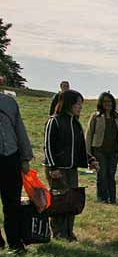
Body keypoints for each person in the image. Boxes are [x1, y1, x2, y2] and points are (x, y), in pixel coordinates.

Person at [43, 90, 94, 241]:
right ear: (69, 104)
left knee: (71, 201)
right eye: (78, 103)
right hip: (57, 170)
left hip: (71, 169)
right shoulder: (54, 121)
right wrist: (53, 168)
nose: (80, 107)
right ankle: (58, 233)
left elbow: (80, 148)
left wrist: (90, 160)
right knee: (59, 202)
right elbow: (48, 146)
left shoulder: (76, 123)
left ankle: (69, 233)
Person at [0, 90, 34, 255]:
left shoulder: (9, 102)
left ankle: (15, 243)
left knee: (12, 204)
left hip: (10, 159)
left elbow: (19, 129)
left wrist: (25, 157)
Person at [86, 91, 118, 204]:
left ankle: (112, 198)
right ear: (101, 103)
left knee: (111, 175)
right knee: (102, 174)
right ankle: (102, 198)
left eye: (109, 101)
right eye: (104, 101)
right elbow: (89, 133)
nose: (107, 104)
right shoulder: (96, 116)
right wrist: (88, 152)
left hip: (114, 151)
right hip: (99, 150)